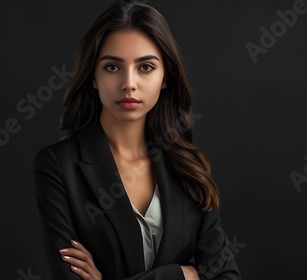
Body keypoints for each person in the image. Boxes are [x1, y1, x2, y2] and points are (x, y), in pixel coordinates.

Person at [33, 0, 241, 279]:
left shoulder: (190, 166)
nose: (128, 83)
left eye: (145, 67)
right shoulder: (58, 166)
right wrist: (183, 275)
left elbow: (227, 275)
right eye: (112, 67)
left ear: (165, 76)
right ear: (93, 76)